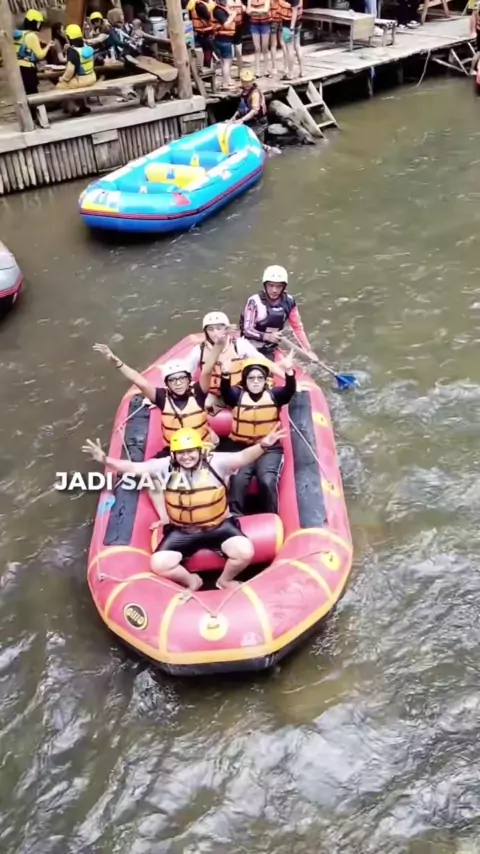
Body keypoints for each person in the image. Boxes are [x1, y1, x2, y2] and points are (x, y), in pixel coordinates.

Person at [82, 423, 285, 591]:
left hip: (219, 525)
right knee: (159, 564)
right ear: (173, 455)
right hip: (182, 530)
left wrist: (263, 445)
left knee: (245, 552)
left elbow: (242, 457)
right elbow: (134, 468)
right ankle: (192, 581)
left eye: (190, 451)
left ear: (199, 451)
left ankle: (224, 580)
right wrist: (105, 460)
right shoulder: (164, 466)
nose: (186, 456)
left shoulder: (217, 463)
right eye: (181, 453)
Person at [93, 341, 224, 454]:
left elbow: (207, 370)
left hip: (203, 447)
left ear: (189, 379)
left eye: (182, 378)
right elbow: (139, 380)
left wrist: (219, 343)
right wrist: (117, 362)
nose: (178, 383)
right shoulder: (161, 397)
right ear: (166, 383)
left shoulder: (198, 392)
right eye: (172, 380)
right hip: (176, 451)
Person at [220, 351, 295, 514]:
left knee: (266, 480)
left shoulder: (275, 395)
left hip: (270, 449)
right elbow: (225, 391)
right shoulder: (236, 396)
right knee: (238, 480)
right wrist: (225, 374)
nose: (255, 381)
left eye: (259, 378)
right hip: (242, 448)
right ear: (245, 380)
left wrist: (289, 372)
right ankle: (236, 515)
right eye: (251, 378)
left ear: (265, 380)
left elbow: (289, 391)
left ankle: (271, 514)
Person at [183, 311, 287, 412]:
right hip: (214, 392)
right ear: (206, 332)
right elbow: (186, 372)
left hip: (238, 389)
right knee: (207, 404)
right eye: (211, 329)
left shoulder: (240, 345)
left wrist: (287, 379)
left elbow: (264, 362)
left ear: (227, 329)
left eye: (219, 328)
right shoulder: (199, 350)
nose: (215, 333)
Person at [240, 265, 319, 360]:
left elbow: (297, 328)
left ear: (284, 287)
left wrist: (308, 350)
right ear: (265, 285)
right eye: (271, 285)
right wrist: (267, 336)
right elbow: (247, 330)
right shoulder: (254, 302)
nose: (274, 290)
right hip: (250, 346)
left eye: (279, 286)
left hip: (269, 348)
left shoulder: (289, 302)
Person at [14, 9, 54, 107]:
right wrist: (48, 46)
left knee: (23, 94)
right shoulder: (31, 36)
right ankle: (36, 114)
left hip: (17, 68)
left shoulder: (18, 34)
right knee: (32, 94)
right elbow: (40, 55)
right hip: (28, 68)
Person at [57, 24, 96, 111]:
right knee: (74, 84)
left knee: (60, 86)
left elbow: (70, 70)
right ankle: (82, 105)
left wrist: (63, 79)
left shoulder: (73, 52)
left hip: (81, 80)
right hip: (92, 77)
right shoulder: (86, 47)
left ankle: (73, 108)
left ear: (69, 37)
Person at [185, 0, 231, 69]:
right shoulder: (200, 6)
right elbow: (208, 18)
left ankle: (204, 68)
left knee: (205, 51)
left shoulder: (194, 3)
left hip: (199, 32)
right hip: (204, 33)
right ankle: (206, 68)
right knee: (207, 52)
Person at [232, 68, 267, 140]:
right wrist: (233, 117)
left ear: (253, 81)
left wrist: (242, 120)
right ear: (242, 81)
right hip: (249, 121)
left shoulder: (255, 93)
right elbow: (241, 108)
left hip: (258, 123)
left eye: (249, 81)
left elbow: (254, 111)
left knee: (255, 140)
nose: (247, 84)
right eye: (245, 82)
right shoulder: (244, 91)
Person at [213, 0, 238, 88]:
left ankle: (227, 80)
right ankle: (225, 83)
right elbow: (226, 25)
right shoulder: (218, 11)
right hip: (223, 40)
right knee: (227, 62)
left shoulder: (219, 10)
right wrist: (233, 15)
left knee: (223, 62)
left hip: (221, 39)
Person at [278, 0, 303, 80]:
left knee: (290, 50)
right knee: (297, 46)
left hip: (288, 26)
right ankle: (302, 71)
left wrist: (291, 28)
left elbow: (294, 12)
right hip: (297, 24)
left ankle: (290, 74)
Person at [247, 0, 272, 77]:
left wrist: (253, 10)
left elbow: (266, 10)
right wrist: (260, 11)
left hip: (265, 24)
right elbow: (248, 11)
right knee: (257, 48)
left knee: (265, 48)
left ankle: (266, 70)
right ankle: (257, 70)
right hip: (254, 24)